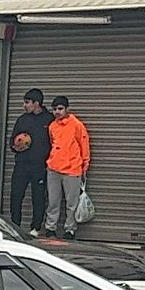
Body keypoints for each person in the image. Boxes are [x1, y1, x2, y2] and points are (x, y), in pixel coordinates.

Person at [42, 96, 91, 239]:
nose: (57, 112)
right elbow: (53, 143)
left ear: (67, 109)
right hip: (54, 168)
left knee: (72, 203)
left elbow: (84, 146)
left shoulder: (77, 125)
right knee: (53, 201)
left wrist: (84, 166)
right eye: (55, 109)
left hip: (72, 169)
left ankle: (70, 229)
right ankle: (50, 228)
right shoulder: (52, 126)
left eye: (60, 109)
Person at [8, 88, 53, 232]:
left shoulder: (49, 120)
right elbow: (12, 140)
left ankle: (35, 227)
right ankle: (15, 225)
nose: (24, 105)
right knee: (16, 195)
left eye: (27, 102)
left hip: (39, 166)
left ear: (36, 103)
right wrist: (15, 147)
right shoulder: (22, 119)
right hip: (21, 164)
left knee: (38, 197)